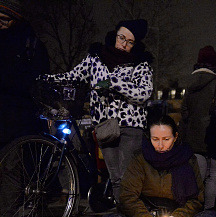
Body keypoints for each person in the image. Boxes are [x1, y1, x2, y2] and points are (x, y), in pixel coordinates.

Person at [42, 19, 153, 200]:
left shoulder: (141, 63)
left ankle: (132, 215)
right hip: (104, 125)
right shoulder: (96, 57)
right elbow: (74, 75)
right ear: (115, 35)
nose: (123, 44)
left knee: (127, 176)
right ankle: (123, 214)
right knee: (115, 176)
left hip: (129, 124)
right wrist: (48, 79)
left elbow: (144, 93)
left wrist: (113, 83)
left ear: (135, 44)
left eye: (130, 42)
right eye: (121, 38)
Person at [100, 115, 216, 217]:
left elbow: (196, 200)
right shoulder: (140, 158)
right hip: (146, 216)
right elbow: (127, 197)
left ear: (175, 137)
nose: (161, 145)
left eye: (166, 139)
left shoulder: (187, 159)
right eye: (155, 139)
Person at [0, 0, 49, 148]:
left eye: (4, 19)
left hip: (23, 115)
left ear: (15, 19)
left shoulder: (31, 44)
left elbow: (40, 78)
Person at [180, 45, 216, 210]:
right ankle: (208, 213)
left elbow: (184, 113)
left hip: (193, 139)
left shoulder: (189, 83)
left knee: (197, 176)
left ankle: (192, 211)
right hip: (213, 137)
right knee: (213, 176)